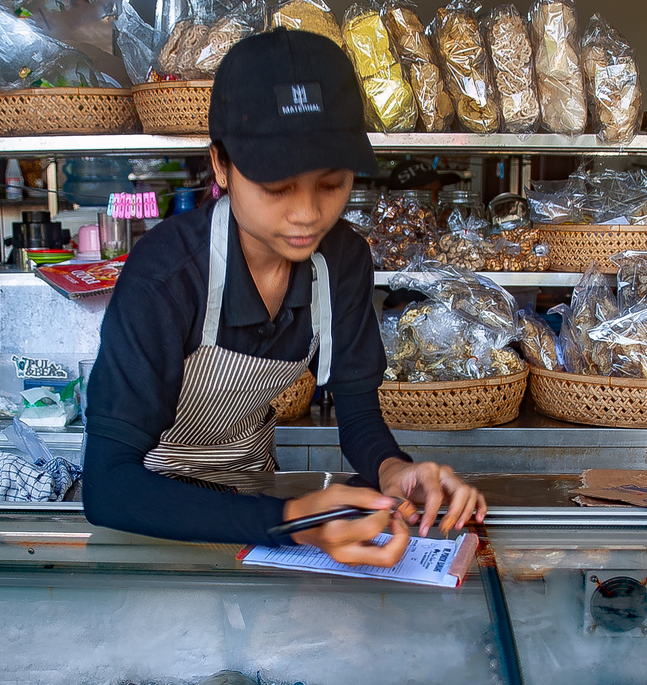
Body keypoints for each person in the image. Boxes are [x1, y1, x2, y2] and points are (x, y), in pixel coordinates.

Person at [82, 28, 486, 567]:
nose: (307, 214)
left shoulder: (341, 261)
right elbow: (108, 487)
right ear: (221, 166)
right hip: (151, 519)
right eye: (276, 188)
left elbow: (358, 414)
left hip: (256, 514)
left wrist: (394, 470)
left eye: (331, 183)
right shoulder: (167, 275)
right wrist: (293, 522)